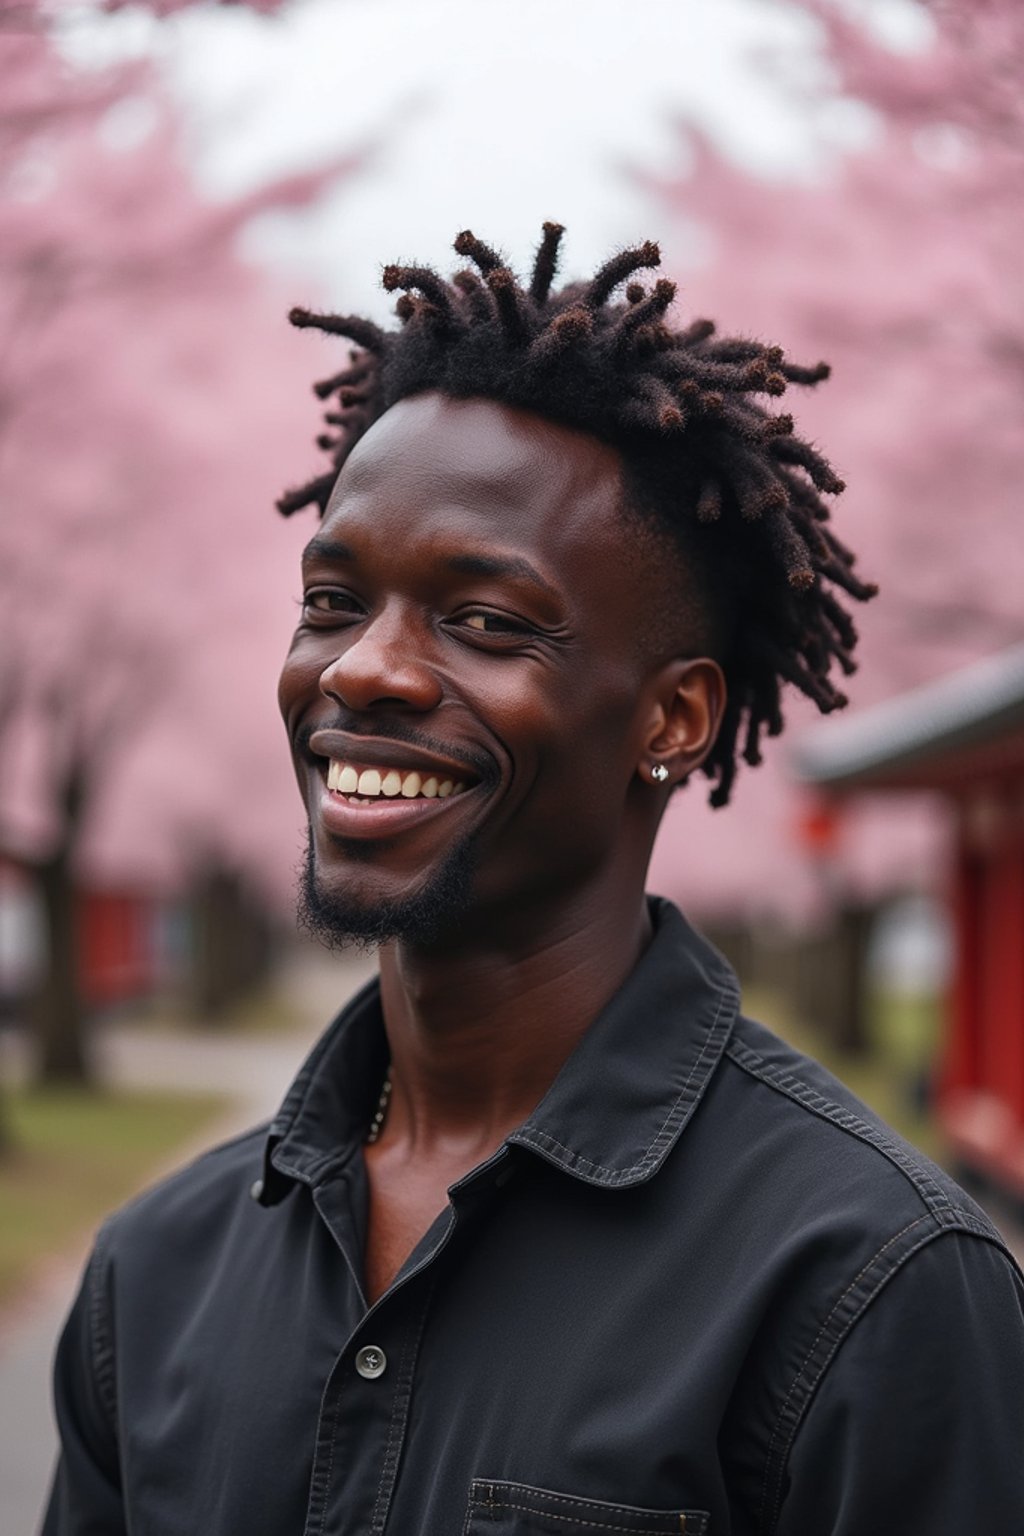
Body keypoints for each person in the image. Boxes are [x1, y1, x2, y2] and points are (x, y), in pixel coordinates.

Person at [44, 226, 1024, 1536]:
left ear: (671, 720)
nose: (363, 673)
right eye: (333, 601)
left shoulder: (871, 1285)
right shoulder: (154, 1274)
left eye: (486, 622)